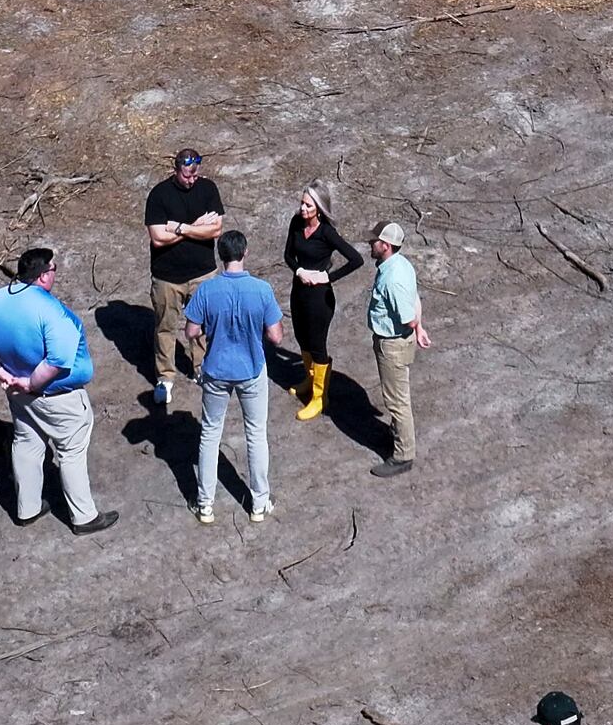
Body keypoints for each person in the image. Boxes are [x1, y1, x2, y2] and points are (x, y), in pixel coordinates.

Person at [0, 245, 116, 534]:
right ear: (42, 277)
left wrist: (0, 373)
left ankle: (28, 509)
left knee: (26, 444)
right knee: (71, 451)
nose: (55, 274)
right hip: (57, 397)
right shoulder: (53, 313)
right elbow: (58, 362)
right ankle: (84, 517)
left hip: (17, 396)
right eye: (53, 269)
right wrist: (32, 383)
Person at [180, 230, 288, 524]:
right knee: (256, 434)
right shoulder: (262, 290)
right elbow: (276, 337)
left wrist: (208, 327)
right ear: (245, 253)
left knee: (210, 433)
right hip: (251, 370)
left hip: (216, 371)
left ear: (221, 256)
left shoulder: (206, 290)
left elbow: (190, 331)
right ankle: (259, 503)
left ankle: (205, 504)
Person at [140, 147, 224, 413]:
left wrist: (181, 227)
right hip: (167, 278)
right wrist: (196, 228)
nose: (191, 179)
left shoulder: (208, 189)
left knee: (203, 325)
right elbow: (157, 237)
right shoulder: (159, 195)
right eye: (187, 175)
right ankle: (165, 377)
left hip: (203, 273)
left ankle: (201, 367)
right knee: (165, 327)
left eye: (195, 174)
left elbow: (216, 229)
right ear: (176, 170)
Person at [284, 183, 364, 419]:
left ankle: (320, 397)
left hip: (320, 299)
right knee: (301, 338)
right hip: (298, 292)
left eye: (308, 205)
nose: (303, 208)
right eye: (302, 203)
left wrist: (327, 276)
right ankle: (309, 381)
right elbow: (288, 254)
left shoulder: (327, 232)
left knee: (317, 346)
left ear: (319, 208)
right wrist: (299, 271)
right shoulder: (296, 223)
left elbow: (355, 259)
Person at [364, 219, 430, 477]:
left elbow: (407, 316)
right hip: (395, 342)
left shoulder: (393, 278)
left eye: (374, 241)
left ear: (386, 246)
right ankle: (399, 437)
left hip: (392, 345)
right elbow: (415, 299)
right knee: (397, 397)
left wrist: (415, 326)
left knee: (397, 402)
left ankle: (403, 455)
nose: (370, 243)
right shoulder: (400, 265)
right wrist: (420, 328)